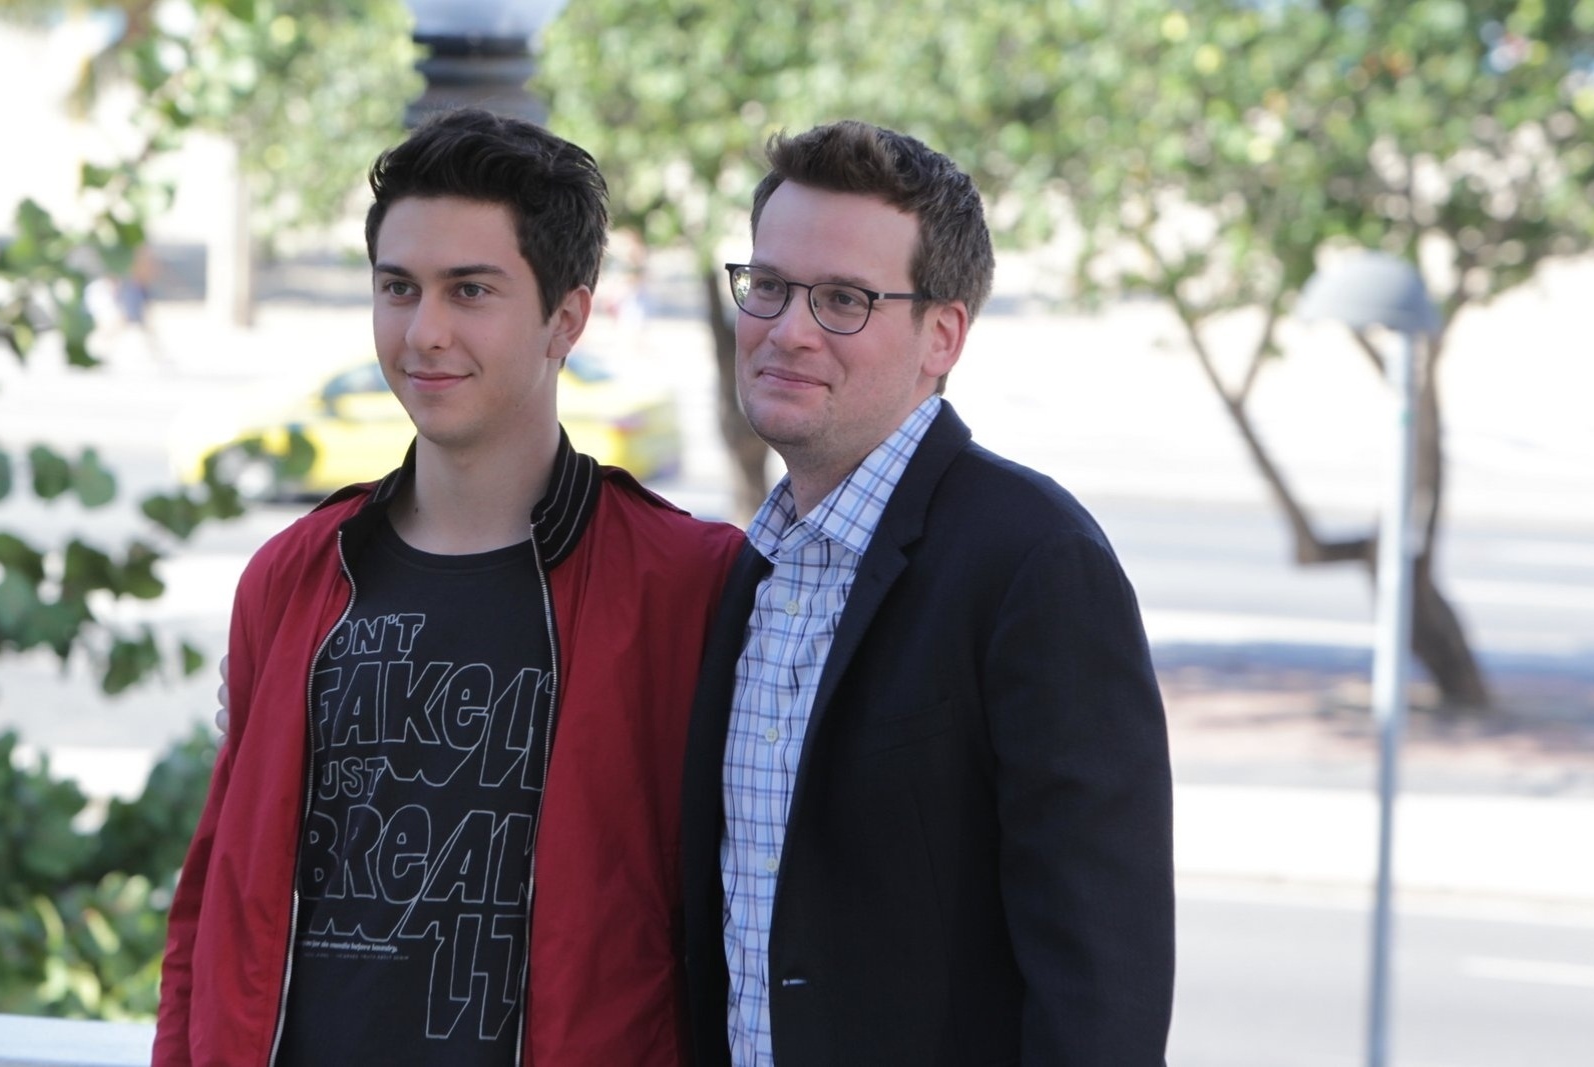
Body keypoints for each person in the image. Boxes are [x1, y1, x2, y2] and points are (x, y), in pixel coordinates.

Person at [154, 108, 743, 1066]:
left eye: (470, 290)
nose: (424, 331)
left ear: (567, 316)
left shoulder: (687, 582)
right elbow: (212, 906)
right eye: (399, 288)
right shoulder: (296, 575)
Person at [678, 121, 1176, 1065]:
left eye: (843, 301)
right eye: (771, 286)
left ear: (942, 335)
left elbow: (1100, 984)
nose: (788, 329)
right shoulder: (747, 572)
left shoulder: (1035, 564)